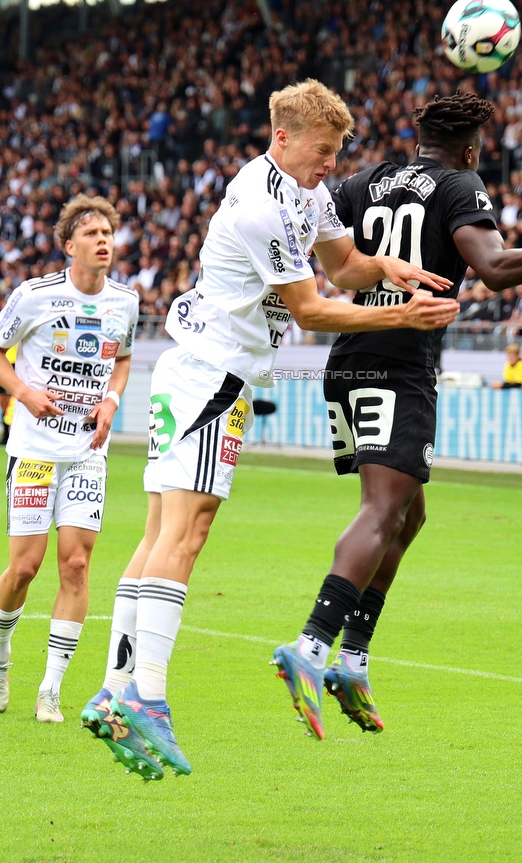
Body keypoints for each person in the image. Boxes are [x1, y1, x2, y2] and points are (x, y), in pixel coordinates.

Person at [80, 79, 460, 780]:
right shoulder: (264, 207)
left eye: (336, 153)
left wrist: (392, 271)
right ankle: (150, 702)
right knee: (185, 537)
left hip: (199, 369)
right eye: (321, 152)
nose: (329, 166)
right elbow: (313, 311)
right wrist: (399, 317)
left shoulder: (304, 194)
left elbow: (345, 266)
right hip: (214, 377)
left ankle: (114, 690)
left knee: (159, 535)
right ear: (282, 138)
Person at [271, 92, 522, 741]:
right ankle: (312, 647)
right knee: (383, 509)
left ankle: (353, 660)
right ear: (472, 147)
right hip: (399, 359)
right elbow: (496, 270)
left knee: (408, 512)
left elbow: (318, 245)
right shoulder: (457, 183)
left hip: (350, 357)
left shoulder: (367, 180)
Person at [0, 195, 139, 723]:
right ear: (69, 246)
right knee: (24, 568)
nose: (103, 240)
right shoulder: (34, 297)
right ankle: (2, 652)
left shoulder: (124, 302)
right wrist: (24, 393)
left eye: (108, 232)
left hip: (85, 454)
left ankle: (51, 688)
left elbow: (122, 360)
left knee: (76, 565)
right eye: (92, 233)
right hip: (34, 450)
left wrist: (111, 400)